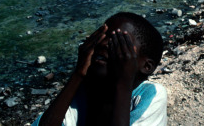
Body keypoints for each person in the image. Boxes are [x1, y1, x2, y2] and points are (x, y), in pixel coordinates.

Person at [32, 12, 167, 125]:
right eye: (102, 36)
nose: (102, 44)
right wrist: (78, 74)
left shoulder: (151, 94)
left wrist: (123, 84)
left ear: (146, 66)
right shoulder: (86, 88)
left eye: (118, 42)